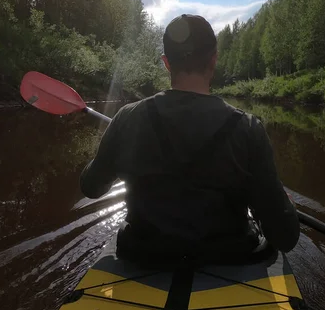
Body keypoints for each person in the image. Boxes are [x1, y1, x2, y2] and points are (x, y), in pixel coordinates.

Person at [80, 14, 299, 266]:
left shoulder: (127, 117)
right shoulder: (248, 127)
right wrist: (287, 206)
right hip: (229, 258)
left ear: (166, 63)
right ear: (214, 60)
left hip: (142, 253)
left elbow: (91, 187)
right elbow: (286, 237)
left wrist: (107, 150)